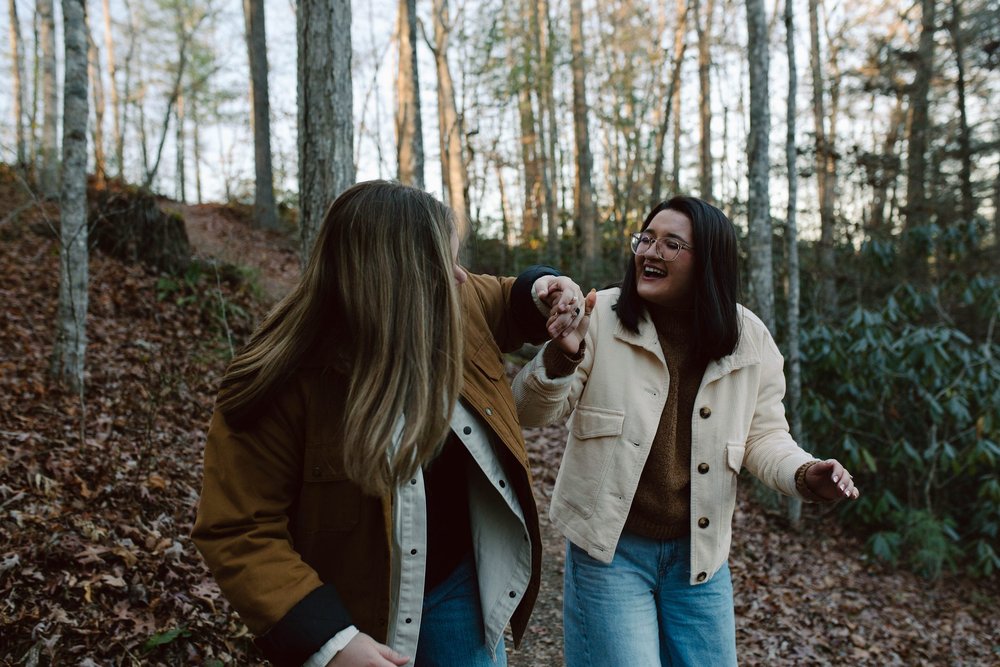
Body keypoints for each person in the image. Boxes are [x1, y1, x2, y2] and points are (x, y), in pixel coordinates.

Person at [192, 180, 585, 667]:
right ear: (400, 276)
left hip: (455, 590)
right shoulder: (280, 378)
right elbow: (237, 528)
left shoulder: (450, 302)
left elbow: (507, 298)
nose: (462, 277)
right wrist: (330, 642)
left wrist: (548, 288)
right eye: (447, 262)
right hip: (356, 617)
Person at [512, 195, 860, 667]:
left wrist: (805, 472)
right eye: (647, 239)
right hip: (611, 551)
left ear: (709, 264)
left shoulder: (749, 338)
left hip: (700, 559)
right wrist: (562, 353)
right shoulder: (602, 314)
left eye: (672, 244)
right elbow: (530, 413)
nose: (651, 253)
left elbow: (764, 436)